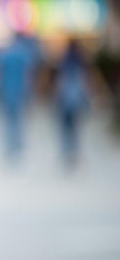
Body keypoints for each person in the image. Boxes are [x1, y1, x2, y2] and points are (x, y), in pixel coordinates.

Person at [0, 31, 40, 161]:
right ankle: (17, 145)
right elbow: (28, 76)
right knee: (19, 120)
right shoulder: (24, 54)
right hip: (19, 91)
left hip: (6, 91)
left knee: (8, 121)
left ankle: (10, 147)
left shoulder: (4, 54)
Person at [53, 39, 90, 167]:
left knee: (65, 128)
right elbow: (85, 84)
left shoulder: (64, 63)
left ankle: (67, 152)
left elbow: (60, 83)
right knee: (75, 128)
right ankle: (74, 152)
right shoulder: (81, 63)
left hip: (65, 100)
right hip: (76, 100)